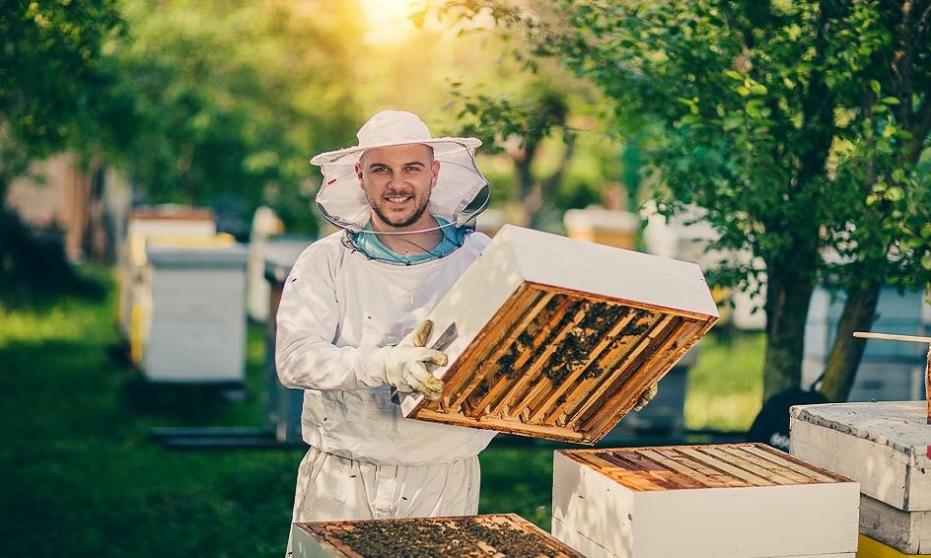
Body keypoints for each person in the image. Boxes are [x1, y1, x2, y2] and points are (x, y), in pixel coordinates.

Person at [275, 110, 498, 555]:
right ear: (360, 176)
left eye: (411, 168)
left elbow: (515, 350)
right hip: (342, 476)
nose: (397, 184)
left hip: (443, 474)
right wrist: (384, 362)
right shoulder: (325, 262)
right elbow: (294, 357)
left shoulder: (481, 257)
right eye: (382, 170)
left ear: (434, 173)